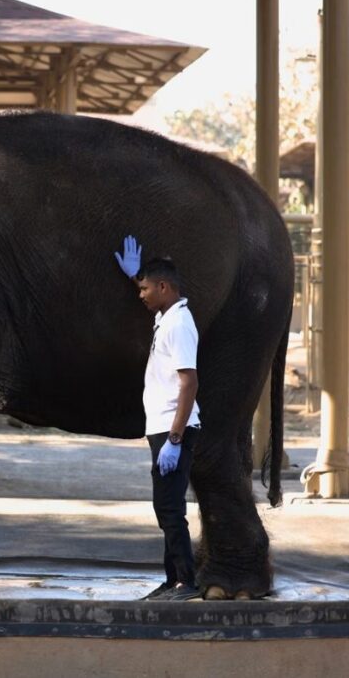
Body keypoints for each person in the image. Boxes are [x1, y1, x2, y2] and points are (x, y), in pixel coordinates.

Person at [115, 235, 202, 602]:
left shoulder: (179, 324)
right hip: (164, 427)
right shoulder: (167, 317)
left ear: (164, 287)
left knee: (170, 508)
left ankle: (186, 582)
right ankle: (172, 581)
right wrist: (136, 275)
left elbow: (189, 382)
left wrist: (176, 439)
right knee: (165, 507)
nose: (142, 294)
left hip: (173, 428)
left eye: (147, 288)